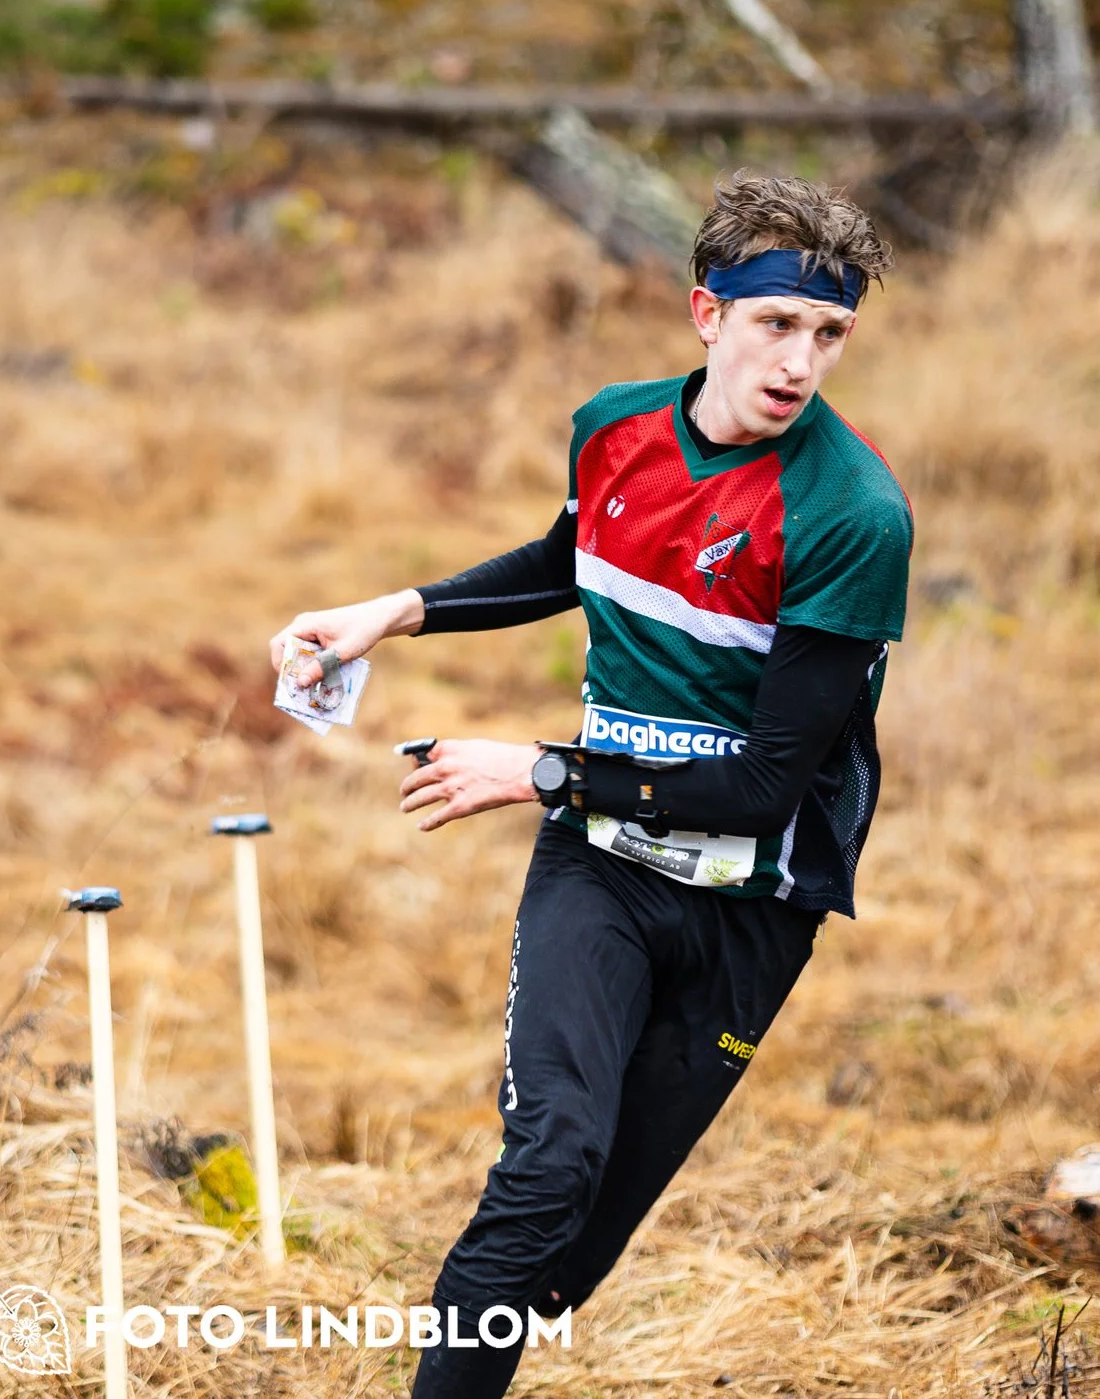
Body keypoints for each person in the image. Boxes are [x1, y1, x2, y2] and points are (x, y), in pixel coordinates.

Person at [267, 173, 912, 1399]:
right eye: (777, 323)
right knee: (547, 1163)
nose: (800, 361)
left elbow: (768, 785)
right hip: (600, 869)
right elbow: (573, 555)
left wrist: (540, 768)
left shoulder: (852, 513)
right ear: (704, 313)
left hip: (750, 907)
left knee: (565, 1259)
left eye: (829, 335)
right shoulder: (613, 426)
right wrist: (393, 613)